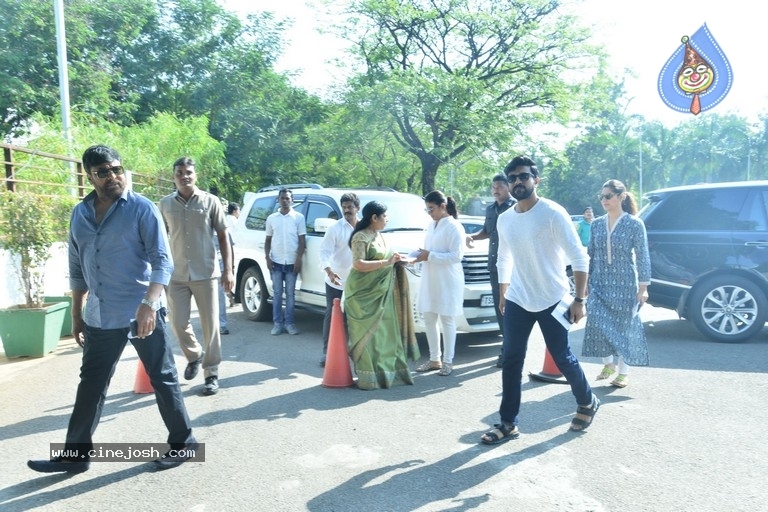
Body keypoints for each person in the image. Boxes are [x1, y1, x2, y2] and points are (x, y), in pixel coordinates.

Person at [27, 145, 197, 473]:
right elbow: (77, 268)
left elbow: (163, 260)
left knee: (162, 377)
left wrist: (149, 304)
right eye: (103, 172)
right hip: (99, 315)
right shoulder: (80, 214)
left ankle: (183, 442)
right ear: (89, 176)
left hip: (141, 313)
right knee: (91, 382)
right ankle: (76, 457)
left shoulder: (141, 209)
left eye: (117, 169)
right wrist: (76, 314)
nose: (113, 177)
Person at [480, 155, 599, 445]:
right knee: (511, 359)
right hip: (519, 298)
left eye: (523, 176)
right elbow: (504, 258)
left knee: (562, 357)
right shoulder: (505, 219)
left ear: (536, 180)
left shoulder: (552, 213)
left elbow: (579, 257)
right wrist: (503, 293)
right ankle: (508, 423)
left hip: (552, 298)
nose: (517, 182)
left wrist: (580, 299)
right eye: (513, 178)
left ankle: (587, 401)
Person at [159, 157, 233, 396]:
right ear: (174, 176)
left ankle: (211, 373)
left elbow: (223, 237)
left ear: (195, 175)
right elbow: (158, 241)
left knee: (211, 326)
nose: (184, 176)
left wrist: (228, 271)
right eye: (179, 172)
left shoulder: (210, 202)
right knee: (177, 322)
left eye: (188, 172)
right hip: (176, 275)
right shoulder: (164, 204)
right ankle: (194, 354)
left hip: (206, 273)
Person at [343, 201, 420, 389]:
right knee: (368, 338)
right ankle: (369, 378)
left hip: (383, 292)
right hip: (362, 294)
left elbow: (387, 259)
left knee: (386, 334)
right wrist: (386, 263)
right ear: (374, 218)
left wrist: (399, 261)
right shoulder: (360, 237)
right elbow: (358, 264)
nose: (387, 219)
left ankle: (388, 375)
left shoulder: (381, 237)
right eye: (385, 216)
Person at [582, 180, 651, 388]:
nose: (603, 200)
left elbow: (642, 256)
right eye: (601, 197)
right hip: (599, 284)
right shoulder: (596, 224)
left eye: (608, 196)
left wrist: (643, 288)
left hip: (625, 285)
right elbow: (591, 255)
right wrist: (585, 283)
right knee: (597, 323)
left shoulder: (634, 224)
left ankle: (623, 372)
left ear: (621, 197)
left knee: (623, 328)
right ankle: (608, 364)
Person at [414, 190, 465, 376]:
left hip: (448, 279)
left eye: (432, 209)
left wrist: (431, 255)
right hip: (430, 277)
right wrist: (420, 256)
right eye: (427, 210)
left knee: (447, 319)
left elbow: (456, 256)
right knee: (429, 317)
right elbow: (430, 250)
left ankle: (448, 361)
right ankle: (434, 358)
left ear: (443, 206)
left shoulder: (454, 226)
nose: (430, 213)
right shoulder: (431, 225)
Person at [466, 173, 515, 367]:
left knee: (514, 309)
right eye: (493, 187)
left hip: (514, 267)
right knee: (501, 308)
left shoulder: (515, 207)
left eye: (499, 186)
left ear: (508, 187)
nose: (495, 190)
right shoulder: (491, 209)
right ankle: (507, 348)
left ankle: (511, 350)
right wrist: (472, 237)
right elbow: (487, 231)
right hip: (495, 266)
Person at [318, 193, 360, 367]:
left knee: (356, 317)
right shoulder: (335, 228)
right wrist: (329, 272)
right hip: (336, 280)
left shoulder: (365, 227)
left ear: (357, 208)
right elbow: (324, 252)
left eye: (350, 207)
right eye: (344, 207)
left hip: (358, 281)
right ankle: (327, 352)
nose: (346, 210)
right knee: (334, 315)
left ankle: (355, 352)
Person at [265, 188, 306, 335]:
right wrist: (267, 258)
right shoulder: (272, 218)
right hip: (276, 261)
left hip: (291, 263)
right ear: (278, 200)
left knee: (290, 294)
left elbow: (302, 241)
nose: (285, 200)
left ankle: (290, 323)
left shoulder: (298, 218)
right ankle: (277, 323)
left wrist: (298, 259)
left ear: (292, 200)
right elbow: (268, 240)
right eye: (282, 198)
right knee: (277, 293)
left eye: (288, 198)